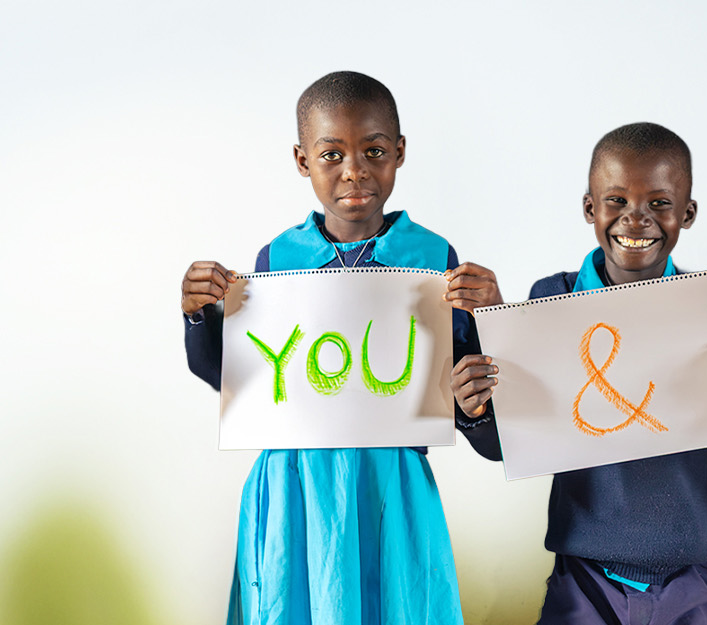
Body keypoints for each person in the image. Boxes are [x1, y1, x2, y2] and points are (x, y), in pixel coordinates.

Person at [179, 70, 495, 625]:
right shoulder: (277, 260)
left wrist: (492, 325)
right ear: (302, 160)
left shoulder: (434, 259)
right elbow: (240, 383)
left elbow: (473, 404)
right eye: (332, 155)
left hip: (391, 489)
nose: (354, 170)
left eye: (374, 151)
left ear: (399, 152)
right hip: (295, 492)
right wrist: (199, 315)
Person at [450, 122, 707, 625]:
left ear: (687, 213)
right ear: (590, 208)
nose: (636, 218)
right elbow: (510, 446)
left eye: (659, 203)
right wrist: (474, 411)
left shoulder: (703, 310)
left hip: (693, 571)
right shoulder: (550, 302)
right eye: (617, 201)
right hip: (585, 575)